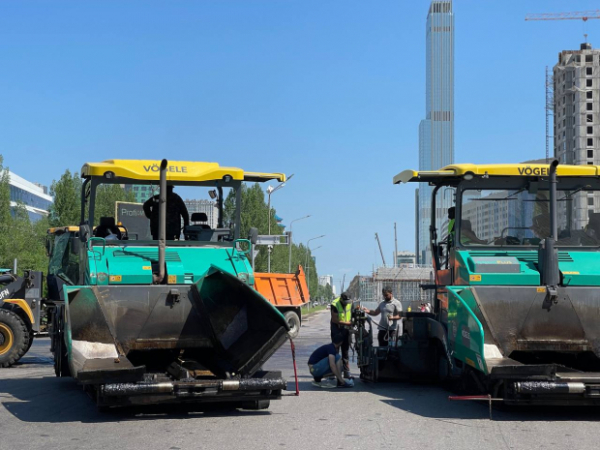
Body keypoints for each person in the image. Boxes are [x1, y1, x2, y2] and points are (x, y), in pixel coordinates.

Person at [330, 292, 352, 378]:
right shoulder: (335, 304)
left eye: (348, 302)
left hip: (346, 329)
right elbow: (335, 320)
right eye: (345, 302)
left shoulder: (350, 302)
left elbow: (352, 314)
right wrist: (347, 323)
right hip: (337, 329)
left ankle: (346, 373)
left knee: (345, 351)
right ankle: (333, 372)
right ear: (341, 299)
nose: (347, 304)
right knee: (335, 351)